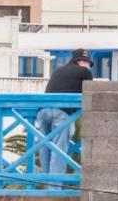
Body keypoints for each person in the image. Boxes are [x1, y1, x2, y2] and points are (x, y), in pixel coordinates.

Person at [38, 49, 93, 177]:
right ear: (81, 61)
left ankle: (44, 181)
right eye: (88, 63)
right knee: (59, 150)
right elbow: (90, 93)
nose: (89, 66)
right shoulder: (85, 72)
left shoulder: (58, 70)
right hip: (61, 111)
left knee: (44, 147)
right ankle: (54, 186)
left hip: (42, 110)